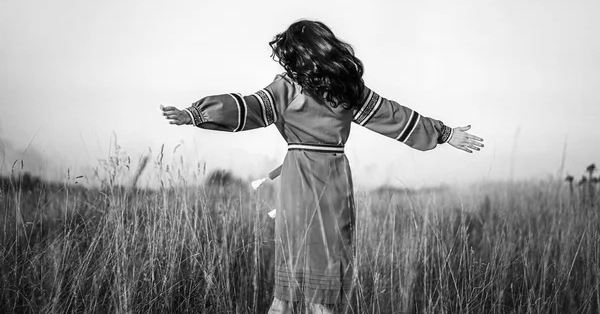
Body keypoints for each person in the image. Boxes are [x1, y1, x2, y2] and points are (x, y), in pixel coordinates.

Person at [161, 19, 484, 314]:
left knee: (284, 297)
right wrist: (444, 133)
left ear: (297, 53)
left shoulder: (288, 87)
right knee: (323, 296)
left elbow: (249, 108)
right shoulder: (347, 90)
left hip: (299, 182)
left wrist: (196, 113)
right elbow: (393, 115)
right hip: (335, 183)